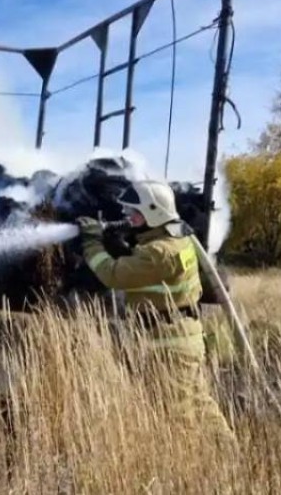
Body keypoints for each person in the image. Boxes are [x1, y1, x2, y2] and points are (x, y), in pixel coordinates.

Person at [76, 179, 236, 446]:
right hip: (183, 338)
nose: (129, 217)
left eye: (135, 213)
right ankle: (229, 451)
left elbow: (112, 274)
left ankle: (195, 468)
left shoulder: (159, 252)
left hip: (169, 344)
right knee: (199, 402)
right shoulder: (176, 238)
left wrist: (92, 243)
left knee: (178, 415)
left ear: (154, 212)